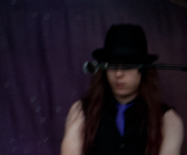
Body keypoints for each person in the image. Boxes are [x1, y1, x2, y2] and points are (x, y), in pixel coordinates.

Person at [61, 24, 183, 155]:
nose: (118, 74)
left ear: (142, 70)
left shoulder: (168, 120)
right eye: (112, 65)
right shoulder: (81, 111)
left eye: (127, 66)